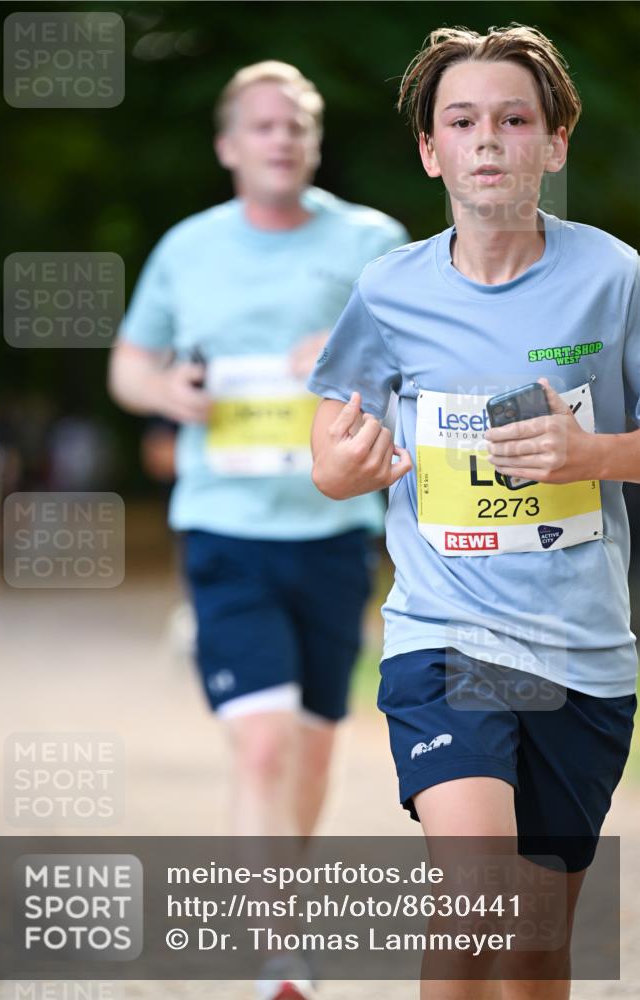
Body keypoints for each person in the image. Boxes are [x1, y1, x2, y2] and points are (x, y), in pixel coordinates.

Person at [309, 24, 639, 1000]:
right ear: (431, 149)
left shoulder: (614, 280)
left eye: (512, 118)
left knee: (535, 946)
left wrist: (593, 456)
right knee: (475, 890)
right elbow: (332, 448)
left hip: (583, 649)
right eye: (462, 120)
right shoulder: (388, 290)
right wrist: (342, 466)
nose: (487, 139)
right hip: (446, 634)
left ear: (555, 142)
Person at [108, 61, 408, 1000]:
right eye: (263, 125)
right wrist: (166, 392)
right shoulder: (187, 248)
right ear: (229, 145)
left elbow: (415, 364)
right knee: (266, 743)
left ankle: (280, 896)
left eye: (298, 125)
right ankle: (280, 950)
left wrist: (343, 359)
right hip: (224, 528)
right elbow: (130, 365)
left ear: (314, 143)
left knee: (314, 745)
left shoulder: (371, 240)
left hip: (331, 529)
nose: (281, 138)